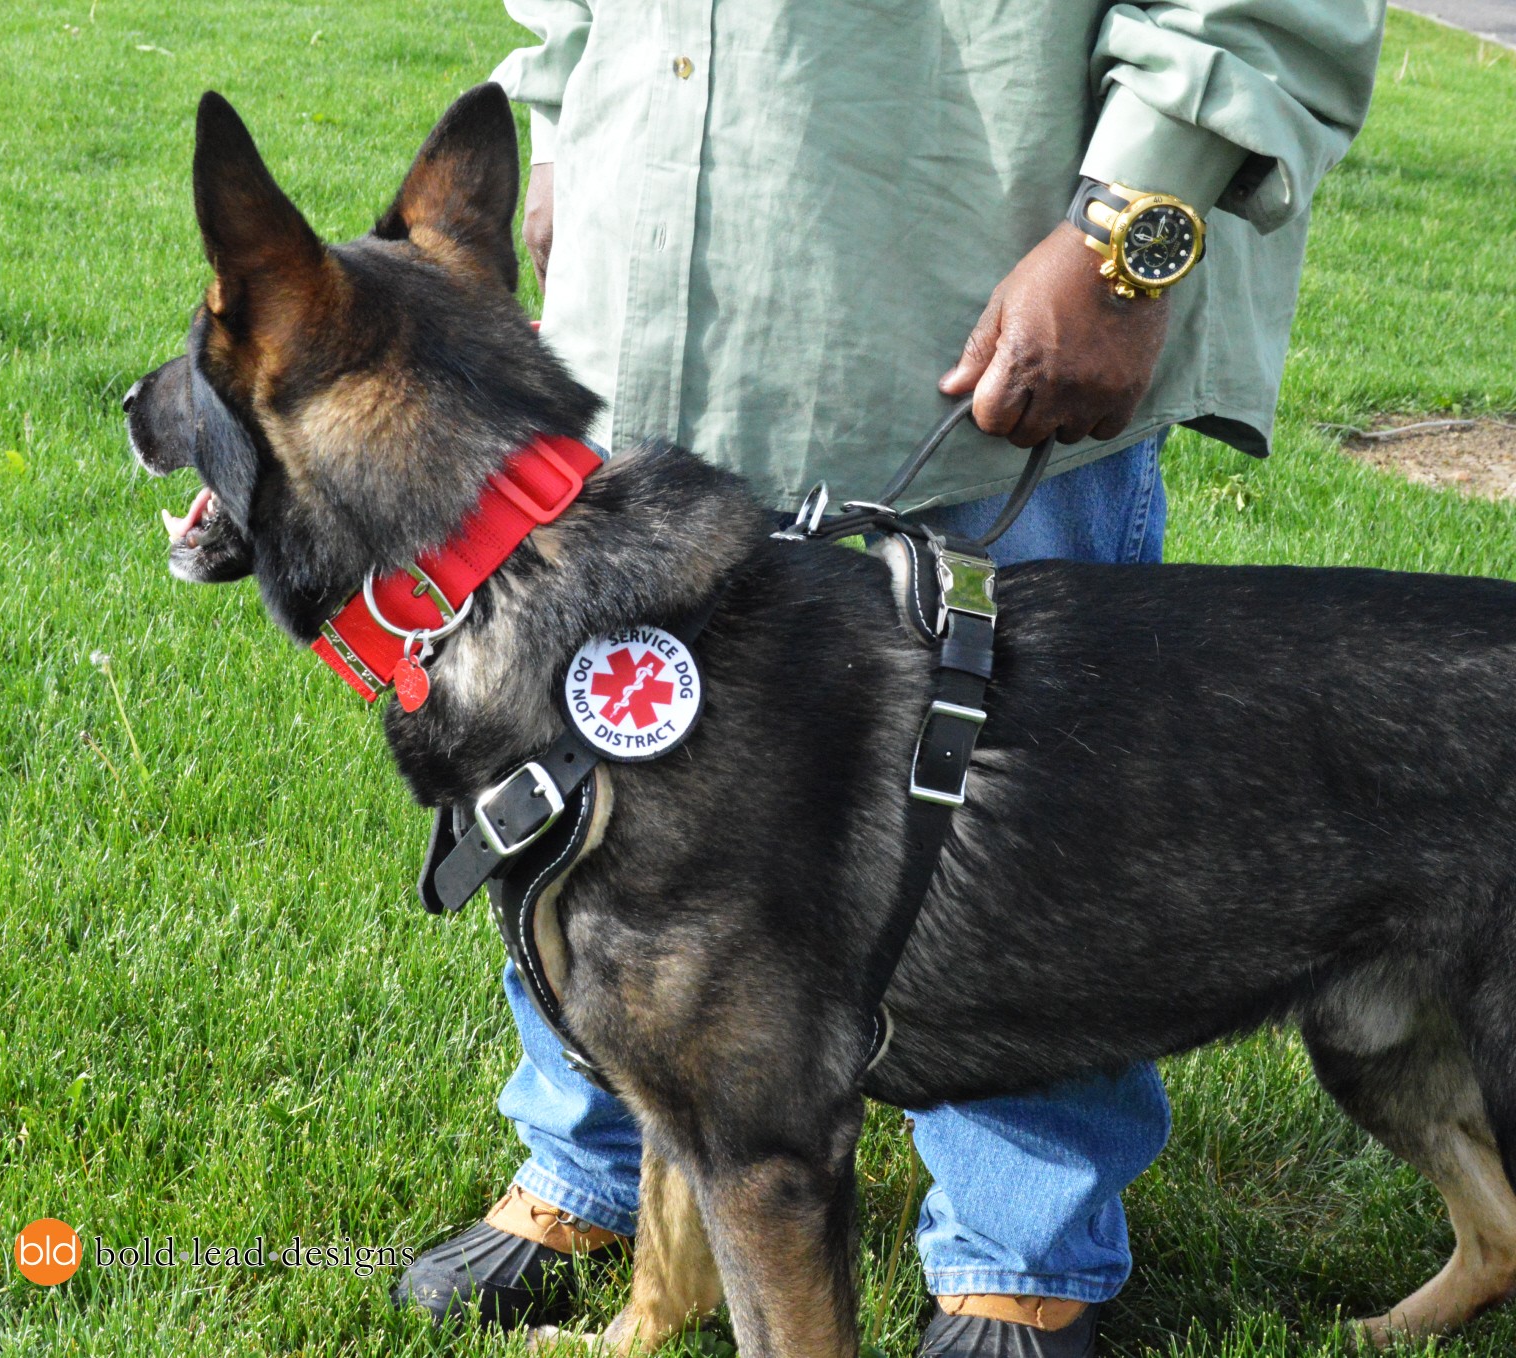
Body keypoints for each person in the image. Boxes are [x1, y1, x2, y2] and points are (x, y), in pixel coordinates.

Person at [395, 4, 1387, 1352]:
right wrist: (570, 116)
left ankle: (1020, 1245)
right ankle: (604, 1163)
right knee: (601, 811)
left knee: (1026, 837)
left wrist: (1132, 233)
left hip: (967, 287)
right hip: (639, 298)